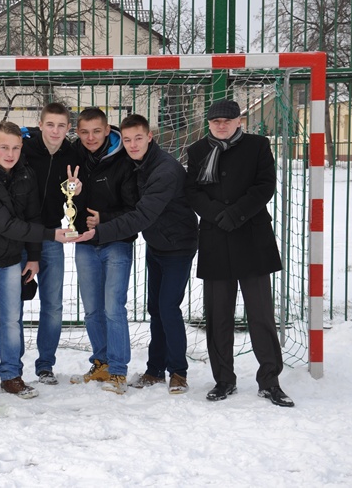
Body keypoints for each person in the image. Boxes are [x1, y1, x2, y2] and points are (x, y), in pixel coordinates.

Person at [0, 102, 80, 386]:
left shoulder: (27, 172)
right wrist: (50, 235)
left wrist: (34, 255)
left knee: (12, 319)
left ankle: (12, 375)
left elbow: (32, 214)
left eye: (15, 148)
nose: (10, 153)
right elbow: (6, 224)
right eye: (4, 147)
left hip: (14, 253)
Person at [77, 114, 198, 395]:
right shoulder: (139, 163)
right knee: (156, 308)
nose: (132, 145)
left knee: (168, 308)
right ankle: (155, 370)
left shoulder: (164, 170)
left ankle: (178, 372)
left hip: (178, 246)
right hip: (157, 244)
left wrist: (100, 231)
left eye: (138, 138)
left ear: (150, 137)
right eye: (128, 139)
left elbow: (141, 215)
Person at [184, 99, 295, 407]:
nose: (221, 125)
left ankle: (270, 381)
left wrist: (236, 214)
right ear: (209, 123)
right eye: (216, 121)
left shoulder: (258, 146)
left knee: (261, 316)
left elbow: (265, 185)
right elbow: (192, 190)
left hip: (252, 238)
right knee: (218, 316)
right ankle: (224, 380)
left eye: (227, 120)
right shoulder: (197, 151)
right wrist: (217, 214)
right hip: (215, 238)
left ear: (239, 122)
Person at [69, 107, 139, 394]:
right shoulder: (73, 155)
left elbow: (134, 208)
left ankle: (119, 371)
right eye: (84, 132)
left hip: (116, 242)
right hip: (85, 243)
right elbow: (70, 200)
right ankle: (101, 363)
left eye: (97, 131)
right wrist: (73, 194)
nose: (91, 137)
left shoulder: (124, 159)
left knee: (113, 308)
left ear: (108, 130)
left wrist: (105, 220)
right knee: (92, 310)